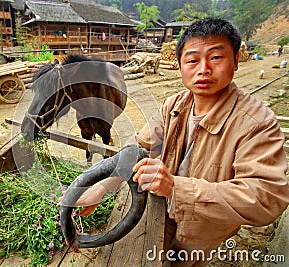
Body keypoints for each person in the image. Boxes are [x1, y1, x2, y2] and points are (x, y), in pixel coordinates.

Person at [73, 17, 289, 266]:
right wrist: (101, 189)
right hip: (158, 213)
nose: (204, 69)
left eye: (216, 57)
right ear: (180, 66)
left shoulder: (258, 123)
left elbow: (267, 199)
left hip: (202, 232)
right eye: (193, 60)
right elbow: (138, 147)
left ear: (237, 60)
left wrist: (175, 187)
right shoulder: (173, 105)